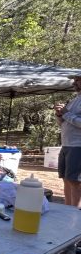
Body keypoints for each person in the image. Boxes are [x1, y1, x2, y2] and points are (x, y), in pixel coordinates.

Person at [54, 74, 81, 207]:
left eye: (78, 80)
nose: (74, 82)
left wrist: (66, 113)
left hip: (78, 146)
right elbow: (63, 123)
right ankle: (67, 209)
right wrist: (59, 115)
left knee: (74, 181)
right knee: (65, 179)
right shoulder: (74, 100)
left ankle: (74, 214)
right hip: (66, 145)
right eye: (75, 80)